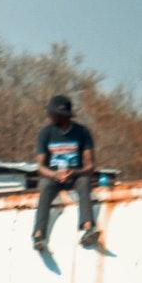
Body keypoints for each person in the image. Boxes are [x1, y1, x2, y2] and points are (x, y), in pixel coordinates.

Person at [32, 96, 101, 250]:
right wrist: (54, 175)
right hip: (54, 176)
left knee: (84, 183)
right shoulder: (45, 133)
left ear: (63, 116)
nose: (50, 117)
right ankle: (38, 236)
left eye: (53, 114)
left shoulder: (82, 132)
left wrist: (74, 172)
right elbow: (40, 167)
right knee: (44, 186)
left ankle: (88, 229)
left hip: (75, 175)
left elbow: (90, 166)